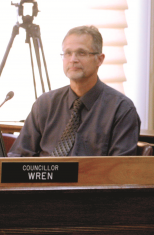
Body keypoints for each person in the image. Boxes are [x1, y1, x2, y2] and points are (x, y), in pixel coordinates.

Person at [8, 25, 140, 157]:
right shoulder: (45, 104)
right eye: (68, 53)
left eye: (81, 53)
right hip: (43, 177)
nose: (73, 60)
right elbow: (18, 156)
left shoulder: (121, 109)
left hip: (92, 177)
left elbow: (120, 170)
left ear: (99, 59)